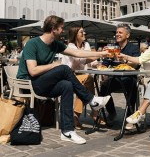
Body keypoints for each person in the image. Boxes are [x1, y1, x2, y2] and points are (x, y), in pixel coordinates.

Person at [17, 15, 111, 145]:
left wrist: (100, 54)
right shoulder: (32, 44)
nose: (63, 31)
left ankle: (67, 131)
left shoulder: (55, 44)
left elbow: (77, 53)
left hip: (44, 83)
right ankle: (91, 99)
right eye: (61, 28)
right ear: (53, 29)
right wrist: (54, 65)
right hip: (30, 84)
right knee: (64, 68)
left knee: (67, 85)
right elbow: (33, 71)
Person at [61, 26, 105, 129]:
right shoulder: (71, 46)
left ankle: (78, 115)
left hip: (83, 76)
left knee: (87, 80)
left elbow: (91, 60)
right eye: (81, 32)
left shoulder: (87, 45)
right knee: (87, 80)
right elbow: (80, 60)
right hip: (69, 76)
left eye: (84, 32)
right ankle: (94, 112)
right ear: (75, 35)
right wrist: (100, 54)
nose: (84, 34)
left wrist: (97, 64)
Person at [100, 23, 140, 128]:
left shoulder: (133, 48)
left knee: (132, 86)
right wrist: (103, 68)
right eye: (116, 32)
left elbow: (136, 63)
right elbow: (104, 63)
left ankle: (130, 117)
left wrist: (125, 60)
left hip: (128, 78)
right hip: (115, 79)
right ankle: (112, 113)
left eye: (120, 32)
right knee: (103, 87)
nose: (117, 34)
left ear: (127, 35)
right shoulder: (112, 48)